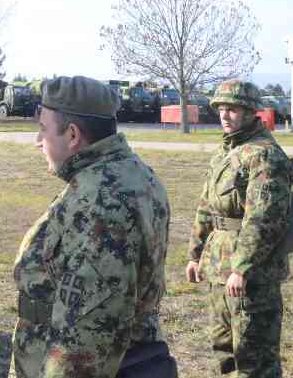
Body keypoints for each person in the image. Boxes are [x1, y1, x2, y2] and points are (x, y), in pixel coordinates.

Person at [11, 76, 173, 378]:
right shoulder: (129, 174)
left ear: (72, 135)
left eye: (43, 130)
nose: (37, 141)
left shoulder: (100, 200)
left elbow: (86, 337)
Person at [186, 79, 293, 378]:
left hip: (251, 274)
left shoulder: (264, 155)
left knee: (254, 357)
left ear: (250, 112)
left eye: (232, 109)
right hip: (218, 265)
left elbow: (264, 219)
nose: (224, 115)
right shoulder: (226, 152)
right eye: (221, 108)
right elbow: (207, 205)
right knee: (225, 349)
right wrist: (195, 255)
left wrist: (243, 267)